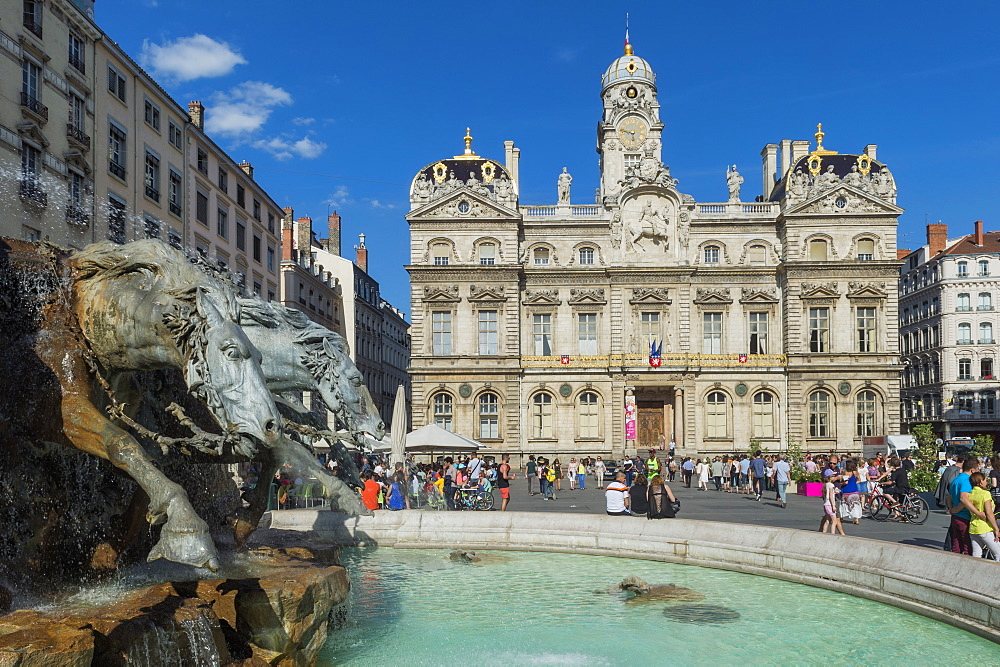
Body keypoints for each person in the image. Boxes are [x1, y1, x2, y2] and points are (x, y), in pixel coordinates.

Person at [948, 457, 982, 554]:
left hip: (956, 517)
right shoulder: (967, 480)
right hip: (965, 517)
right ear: (973, 470)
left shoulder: (956, 479)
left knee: (957, 545)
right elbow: (964, 499)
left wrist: (952, 510)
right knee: (967, 547)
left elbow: (949, 497)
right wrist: (978, 513)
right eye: (978, 469)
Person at [966, 471, 1000, 559]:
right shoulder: (985, 494)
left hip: (973, 527)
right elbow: (989, 513)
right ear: (981, 482)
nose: (986, 482)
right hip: (985, 528)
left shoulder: (970, 494)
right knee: (998, 553)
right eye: (985, 480)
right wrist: (996, 529)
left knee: (976, 553)